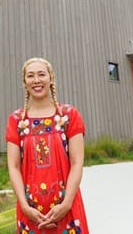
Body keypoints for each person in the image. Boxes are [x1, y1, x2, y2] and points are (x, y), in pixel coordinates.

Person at [6, 57, 89, 234]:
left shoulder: (69, 116)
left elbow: (77, 163)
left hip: (68, 210)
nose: (36, 80)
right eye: (30, 76)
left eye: (41, 74)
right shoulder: (17, 121)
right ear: (24, 82)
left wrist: (66, 204)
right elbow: (13, 166)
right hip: (30, 212)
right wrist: (24, 206)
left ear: (51, 78)